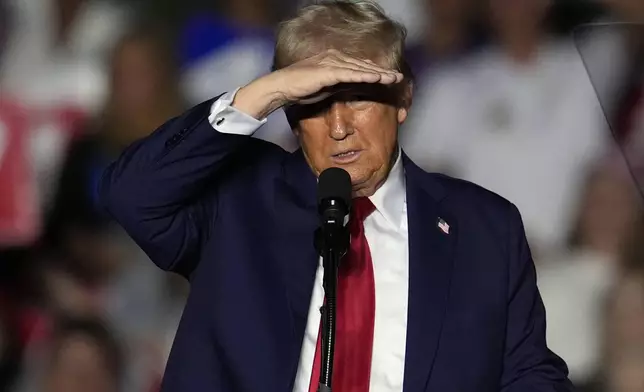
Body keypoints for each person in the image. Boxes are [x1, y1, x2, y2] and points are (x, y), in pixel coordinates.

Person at [99, 1, 572, 391]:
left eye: (358, 98)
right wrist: (263, 93)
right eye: (315, 104)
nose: (340, 127)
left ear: (403, 99)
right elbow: (131, 194)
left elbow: (530, 375)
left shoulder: (483, 228)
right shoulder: (237, 203)